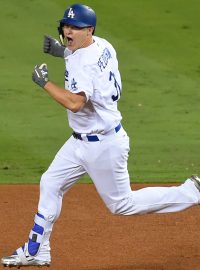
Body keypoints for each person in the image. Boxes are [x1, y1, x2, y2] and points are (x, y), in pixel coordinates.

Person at [1, 3, 200, 268]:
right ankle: (38, 249)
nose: (68, 31)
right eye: (66, 26)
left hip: (103, 145)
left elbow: (75, 103)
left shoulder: (86, 63)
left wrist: (44, 83)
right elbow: (81, 57)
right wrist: (61, 51)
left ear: (89, 30)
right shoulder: (101, 45)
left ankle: (192, 191)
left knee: (122, 204)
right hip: (80, 141)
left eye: (75, 28)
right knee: (50, 182)